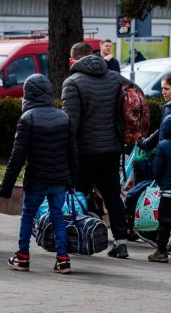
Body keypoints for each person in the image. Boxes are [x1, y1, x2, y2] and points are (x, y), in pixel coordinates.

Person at [0, 74, 77, 273]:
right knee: (58, 216)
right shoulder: (63, 117)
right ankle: (63, 259)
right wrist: (73, 180)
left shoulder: (28, 118)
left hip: (36, 178)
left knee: (27, 215)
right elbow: (72, 153)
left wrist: (6, 187)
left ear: (28, 93)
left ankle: (22, 257)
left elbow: (17, 156)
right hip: (59, 178)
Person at [62, 42, 130, 259]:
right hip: (111, 149)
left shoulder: (72, 83)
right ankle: (121, 243)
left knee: (78, 194)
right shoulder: (114, 78)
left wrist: (65, 153)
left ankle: (78, 239)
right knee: (112, 195)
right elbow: (134, 93)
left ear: (73, 60)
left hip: (84, 151)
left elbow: (71, 124)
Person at [148, 115, 171, 263]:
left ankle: (161, 252)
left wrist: (160, 182)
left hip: (168, 193)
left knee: (165, 222)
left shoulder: (162, 146)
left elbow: (156, 170)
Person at [138, 73, 171, 152]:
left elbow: (163, 134)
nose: (163, 92)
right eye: (162, 88)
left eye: (166, 89)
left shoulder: (168, 108)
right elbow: (162, 130)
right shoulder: (167, 107)